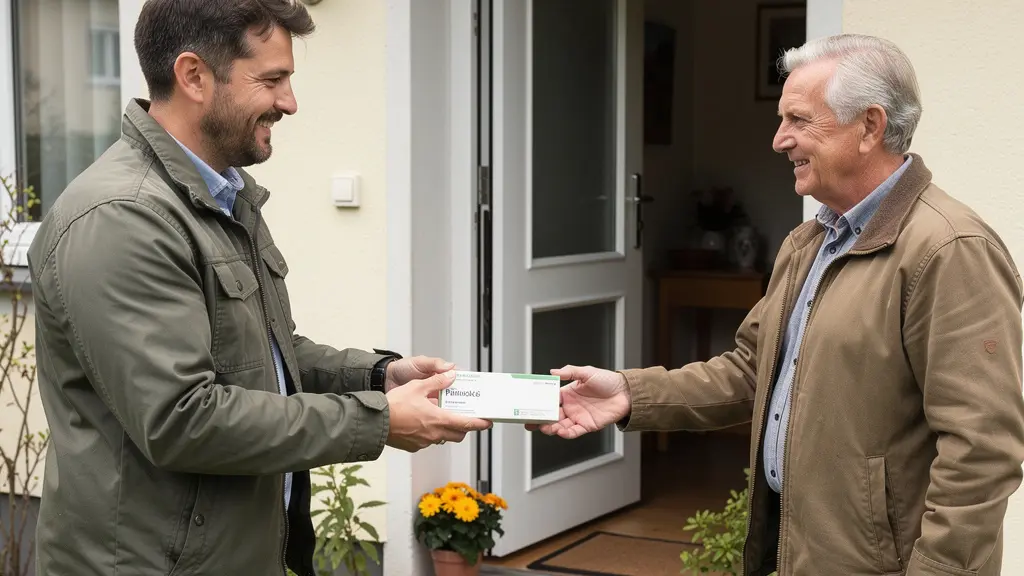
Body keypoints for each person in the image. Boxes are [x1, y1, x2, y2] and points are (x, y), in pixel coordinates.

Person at [25, 0, 490, 575]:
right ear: (194, 76)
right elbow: (182, 419)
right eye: (272, 80)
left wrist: (378, 376)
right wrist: (379, 419)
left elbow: (266, 357)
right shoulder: (123, 217)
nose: (290, 103)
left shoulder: (219, 196)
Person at [535, 34, 1024, 576]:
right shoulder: (809, 242)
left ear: (869, 126)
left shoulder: (949, 250)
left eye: (798, 119)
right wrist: (628, 394)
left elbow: (983, 450)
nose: (778, 140)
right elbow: (749, 372)